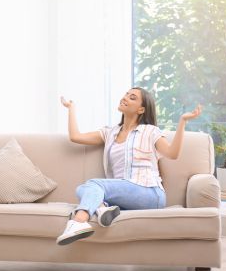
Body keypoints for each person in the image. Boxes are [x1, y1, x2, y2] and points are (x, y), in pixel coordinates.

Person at [56, 87, 202, 246]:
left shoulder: (150, 131)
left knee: (93, 185)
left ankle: (78, 221)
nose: (125, 98)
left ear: (141, 109)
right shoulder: (110, 133)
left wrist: (182, 122)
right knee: (82, 190)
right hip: (124, 195)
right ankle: (102, 209)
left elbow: (172, 153)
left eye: (132, 97)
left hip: (150, 192)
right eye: (126, 94)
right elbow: (75, 137)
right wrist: (71, 109)